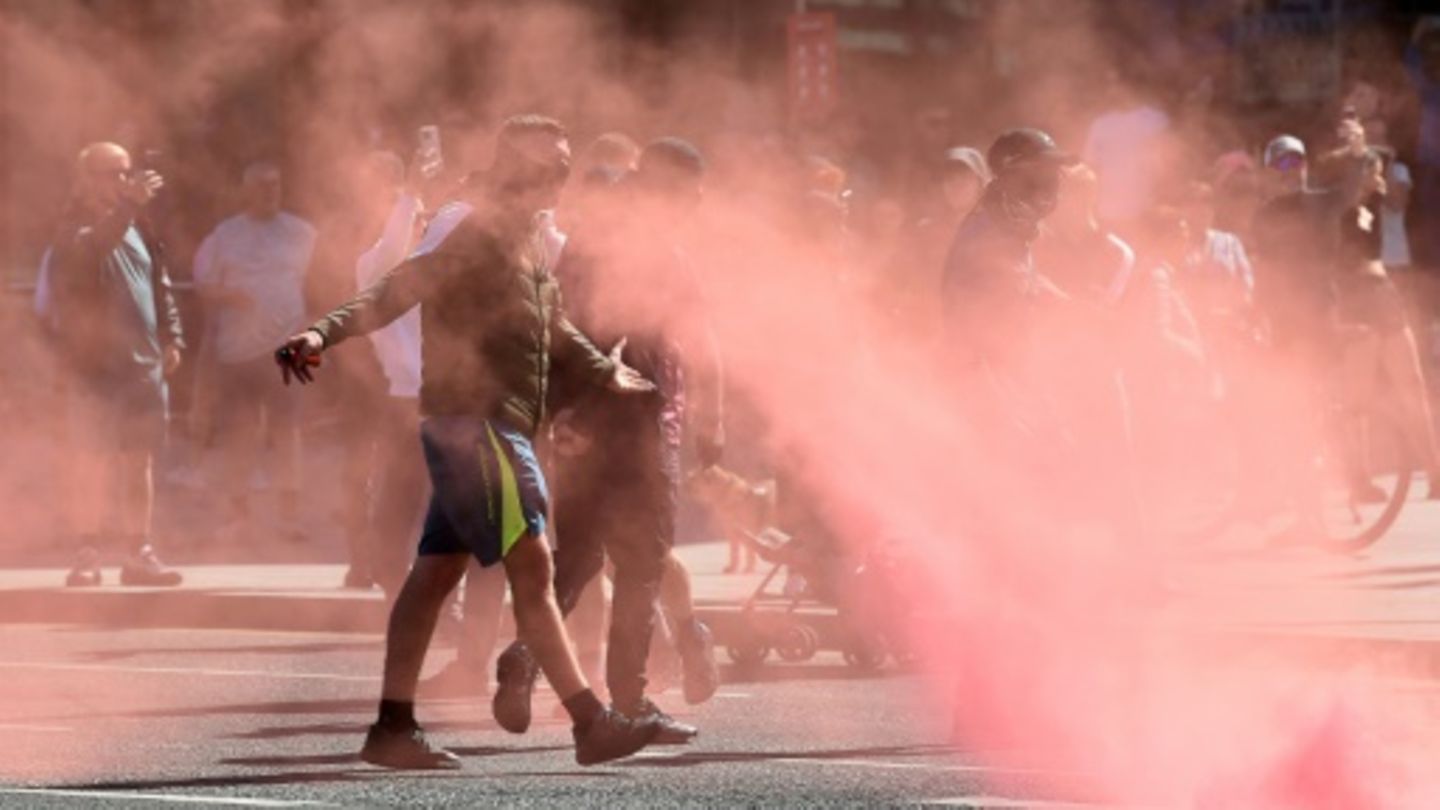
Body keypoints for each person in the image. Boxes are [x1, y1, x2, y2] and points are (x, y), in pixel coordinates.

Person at [275, 114, 660, 770]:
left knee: (435, 574)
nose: (556, 181)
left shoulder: (526, 237)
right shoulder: (480, 231)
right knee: (533, 568)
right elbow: (401, 285)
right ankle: (591, 724)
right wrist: (321, 334)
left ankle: (392, 729)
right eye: (546, 169)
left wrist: (603, 370)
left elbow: (552, 321)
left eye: (562, 169)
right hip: (478, 424)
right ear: (513, 169)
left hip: (480, 425)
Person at [492, 137, 724, 744]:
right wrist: (709, 420)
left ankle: (523, 657)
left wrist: (559, 412)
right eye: (692, 191)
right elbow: (688, 336)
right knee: (642, 565)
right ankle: (631, 701)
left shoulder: (584, 244)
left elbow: (551, 327)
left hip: (580, 424)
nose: (696, 202)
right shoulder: (660, 249)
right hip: (638, 424)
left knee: (578, 558)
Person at [50, 142, 185, 588]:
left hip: (142, 368)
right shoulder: (74, 229)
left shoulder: (138, 226)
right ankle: (87, 553)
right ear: (87, 178)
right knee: (90, 460)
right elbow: (87, 255)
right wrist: (127, 208)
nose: (124, 179)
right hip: (94, 369)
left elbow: (159, 284)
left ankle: (137, 551)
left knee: (137, 462)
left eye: (126, 171)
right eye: (113, 171)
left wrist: (173, 336)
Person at [193, 162, 316, 539]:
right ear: (246, 190)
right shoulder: (225, 235)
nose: (269, 192)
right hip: (240, 351)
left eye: (275, 184)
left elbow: (321, 282)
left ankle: (289, 516)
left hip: (290, 348)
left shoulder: (302, 232)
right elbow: (204, 284)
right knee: (241, 433)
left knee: (289, 432)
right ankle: (238, 515)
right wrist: (232, 295)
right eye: (261, 186)